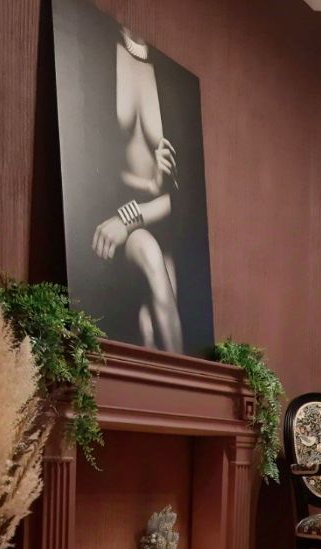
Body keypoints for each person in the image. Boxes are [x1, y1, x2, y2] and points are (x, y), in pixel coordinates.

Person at [91, 28, 183, 353]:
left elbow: (185, 197)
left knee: (153, 334)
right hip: (117, 222)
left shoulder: (171, 77)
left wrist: (153, 186)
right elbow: (93, 168)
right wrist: (127, 218)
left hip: (160, 216)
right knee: (149, 253)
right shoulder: (99, 51)